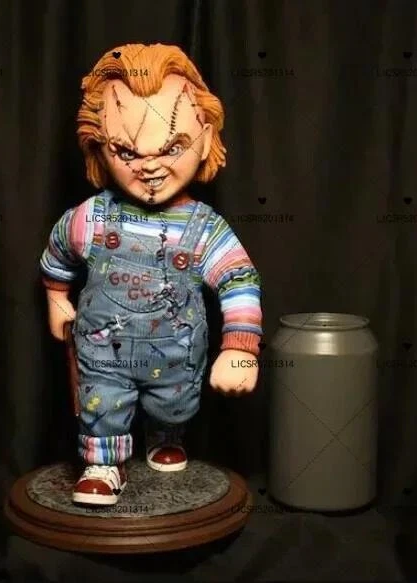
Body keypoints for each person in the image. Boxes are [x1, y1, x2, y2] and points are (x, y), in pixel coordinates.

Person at [40, 43, 263, 505]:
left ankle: (166, 433)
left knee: (174, 403)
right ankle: (103, 464)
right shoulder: (89, 218)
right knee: (101, 405)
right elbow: (58, 252)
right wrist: (56, 297)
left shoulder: (205, 228)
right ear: (99, 146)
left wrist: (240, 348)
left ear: (205, 137)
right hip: (102, 353)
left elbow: (239, 279)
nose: (151, 167)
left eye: (172, 147)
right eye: (127, 151)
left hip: (177, 357)